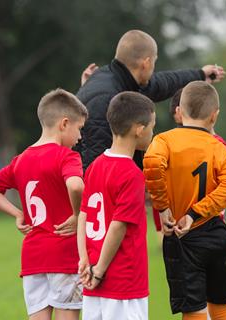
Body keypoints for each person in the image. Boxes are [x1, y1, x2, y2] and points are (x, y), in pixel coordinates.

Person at [0, 89, 87, 319]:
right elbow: (76, 186)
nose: (80, 137)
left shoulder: (21, 160)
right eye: (79, 129)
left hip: (33, 255)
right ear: (64, 123)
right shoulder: (67, 156)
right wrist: (78, 215)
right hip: (64, 252)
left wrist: (17, 213)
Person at [144, 81, 226, 320]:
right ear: (214, 116)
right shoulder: (217, 146)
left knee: (193, 308)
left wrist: (163, 207)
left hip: (182, 236)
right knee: (221, 305)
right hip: (216, 233)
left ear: (180, 111)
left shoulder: (164, 141)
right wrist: (198, 213)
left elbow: (152, 163)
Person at [76, 29, 225, 170]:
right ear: (146, 63)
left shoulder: (122, 80)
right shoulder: (105, 100)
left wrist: (199, 75)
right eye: (154, 62)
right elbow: (93, 167)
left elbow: (164, 83)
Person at [78, 92, 155, 320]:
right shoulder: (132, 174)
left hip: (92, 275)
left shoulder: (95, 166)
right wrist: (100, 270)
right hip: (123, 281)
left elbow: (83, 214)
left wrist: (84, 260)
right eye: (152, 126)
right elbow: (118, 226)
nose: (153, 132)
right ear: (139, 129)